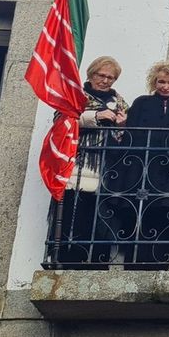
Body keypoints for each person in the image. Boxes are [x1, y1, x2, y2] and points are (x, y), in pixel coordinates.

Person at [119, 61, 169, 264]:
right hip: (141, 167)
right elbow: (130, 135)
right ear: (154, 82)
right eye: (161, 81)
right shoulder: (142, 103)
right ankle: (134, 262)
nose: (166, 86)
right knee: (137, 213)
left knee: (165, 212)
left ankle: (158, 262)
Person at [62, 56, 131, 262]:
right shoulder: (77, 96)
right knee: (74, 214)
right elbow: (62, 119)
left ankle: (96, 262)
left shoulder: (119, 101)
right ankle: (69, 259)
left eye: (111, 77)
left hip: (107, 166)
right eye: (101, 75)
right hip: (79, 165)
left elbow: (125, 135)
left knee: (101, 217)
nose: (106, 80)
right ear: (91, 75)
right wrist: (96, 116)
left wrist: (122, 126)